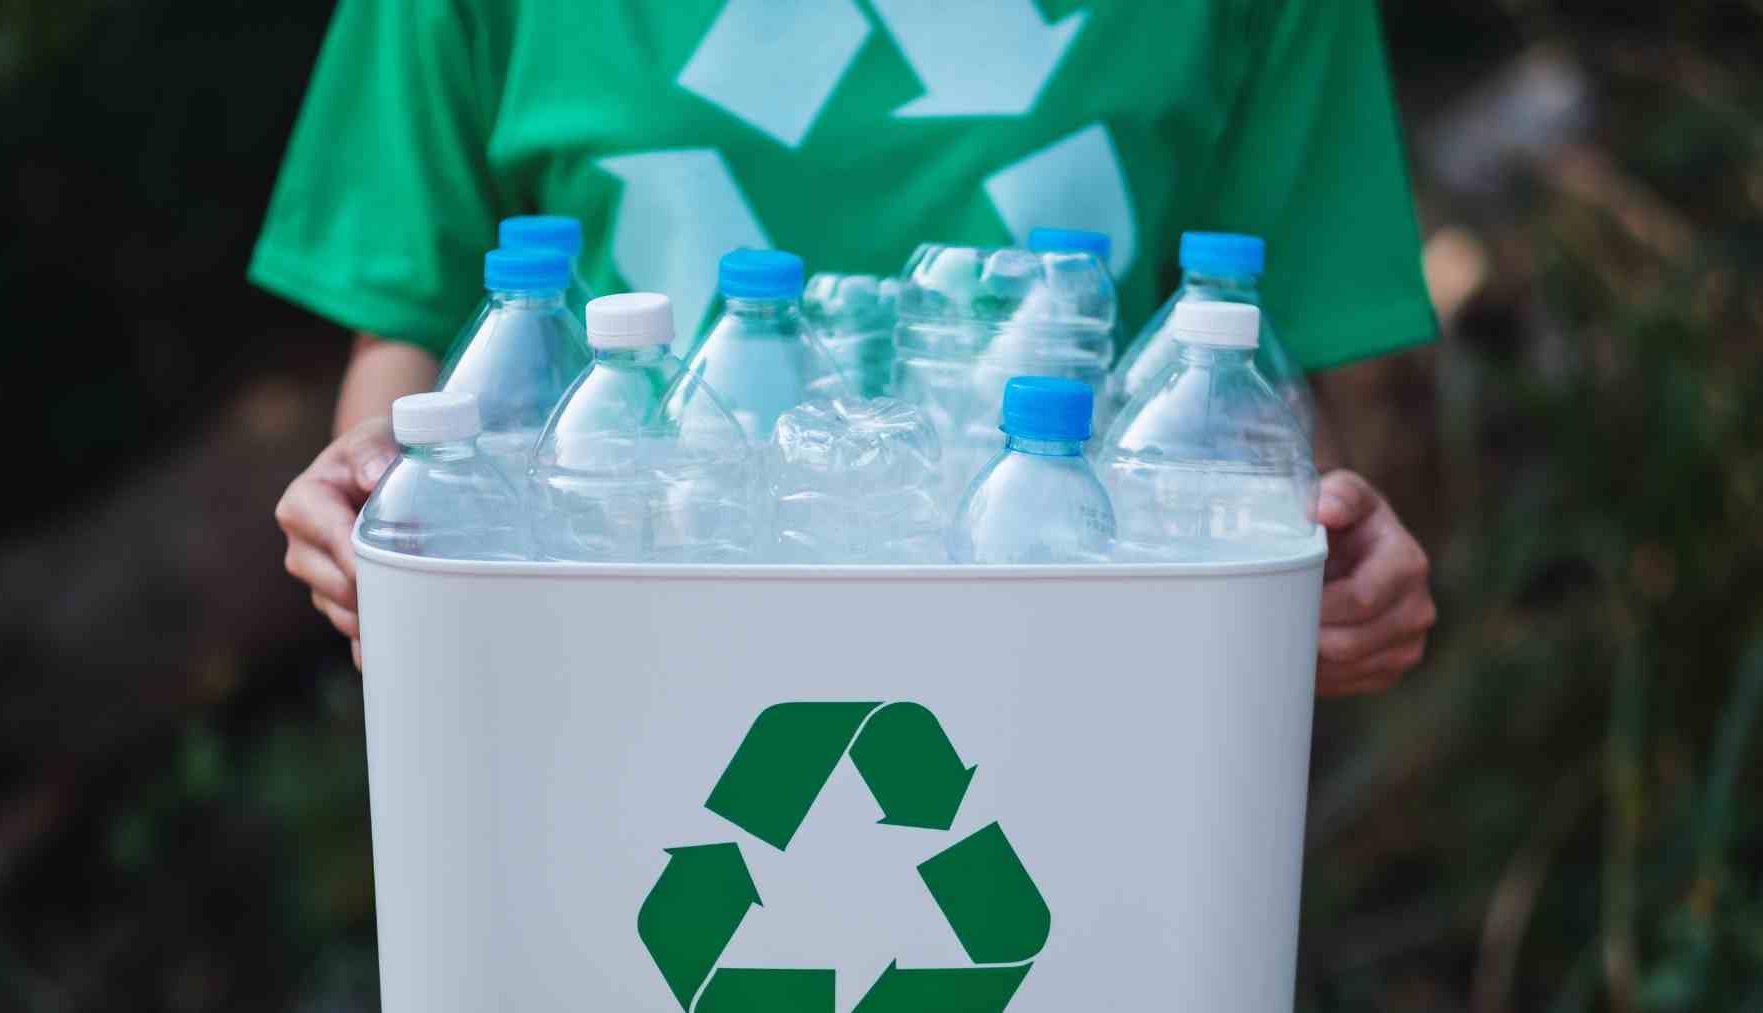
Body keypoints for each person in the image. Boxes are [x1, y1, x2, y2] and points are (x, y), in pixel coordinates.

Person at [261, 0, 1435, 693]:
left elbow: (1266, 375)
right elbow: (413, 328)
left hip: (1087, 690)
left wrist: (1311, 579)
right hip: (611, 675)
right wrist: (383, 498)